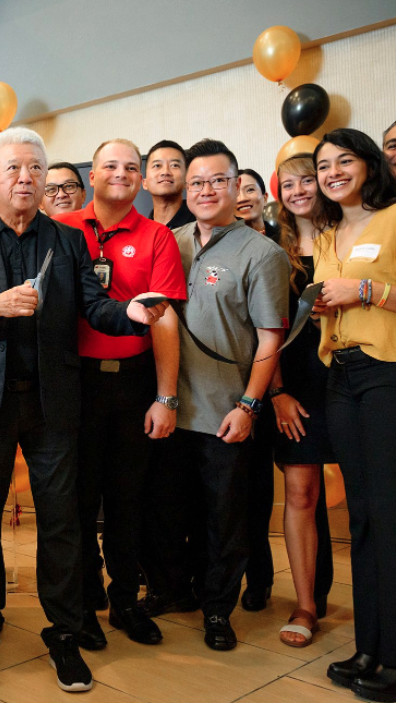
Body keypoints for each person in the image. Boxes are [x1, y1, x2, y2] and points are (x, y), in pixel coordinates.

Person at [0, 126, 168, 692]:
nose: (25, 179)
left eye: (35, 169)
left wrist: (130, 315)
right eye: (13, 169)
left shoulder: (67, 240)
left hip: (53, 400)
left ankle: (64, 630)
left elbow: (94, 306)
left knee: (61, 522)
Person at [140, 139, 289, 651]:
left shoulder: (262, 254)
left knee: (224, 520)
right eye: (197, 181)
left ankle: (218, 609)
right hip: (169, 406)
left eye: (217, 181)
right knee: (166, 511)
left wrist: (250, 405)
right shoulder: (169, 240)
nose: (205, 190)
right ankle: (172, 590)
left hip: (225, 410)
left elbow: (270, 337)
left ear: (236, 186)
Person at [53, 139, 186, 650]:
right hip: (76, 382)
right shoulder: (62, 231)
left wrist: (166, 396)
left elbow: (165, 318)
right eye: (111, 165)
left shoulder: (156, 237)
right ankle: (85, 604)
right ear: (93, 175)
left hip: (133, 382)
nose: (122, 174)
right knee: (79, 500)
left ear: (143, 180)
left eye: (133, 167)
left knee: (129, 500)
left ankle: (126, 599)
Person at [310, 128, 396, 701]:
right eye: (323, 166)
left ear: (369, 163)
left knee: (389, 517)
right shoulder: (327, 233)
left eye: (345, 160)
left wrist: (365, 289)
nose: (333, 172)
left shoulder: (393, 218)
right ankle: (370, 646)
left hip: (385, 369)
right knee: (360, 517)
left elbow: (367, 291)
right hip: (339, 375)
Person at [267, 153, 336, 647]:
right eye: (287, 184)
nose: (298, 191)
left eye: (306, 180)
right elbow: (263, 331)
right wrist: (277, 394)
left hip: (357, 381)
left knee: (374, 500)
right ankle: (307, 604)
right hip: (297, 389)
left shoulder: (350, 236)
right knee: (300, 496)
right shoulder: (273, 252)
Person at [234, 167, 280, 614]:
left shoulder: (275, 247)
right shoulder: (204, 243)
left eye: (251, 189)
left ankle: (259, 576)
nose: (243, 196)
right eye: (239, 189)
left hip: (266, 385)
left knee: (256, 490)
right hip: (220, 388)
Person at [143, 140, 195, 229]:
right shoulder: (141, 230)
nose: (165, 172)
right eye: (157, 165)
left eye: (174, 165)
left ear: (187, 181)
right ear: (145, 183)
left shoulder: (202, 224)